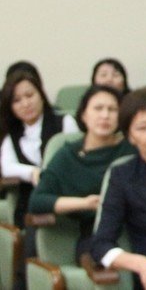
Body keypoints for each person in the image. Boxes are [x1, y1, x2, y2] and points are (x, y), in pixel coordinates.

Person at [27, 85, 134, 260]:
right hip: (96, 232)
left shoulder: (132, 147)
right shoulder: (68, 155)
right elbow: (37, 201)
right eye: (98, 108)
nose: (105, 115)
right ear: (84, 115)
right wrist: (85, 203)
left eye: (112, 109)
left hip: (137, 228)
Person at [90, 86, 146, 290]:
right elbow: (101, 245)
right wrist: (141, 264)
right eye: (142, 128)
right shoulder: (123, 176)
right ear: (130, 136)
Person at [0, 70, 79, 227]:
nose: (25, 104)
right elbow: (7, 167)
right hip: (30, 207)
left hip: (67, 199)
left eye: (30, 95)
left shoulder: (64, 122)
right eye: (17, 100)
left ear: (41, 95)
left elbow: (77, 160)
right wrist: (33, 172)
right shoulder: (11, 134)